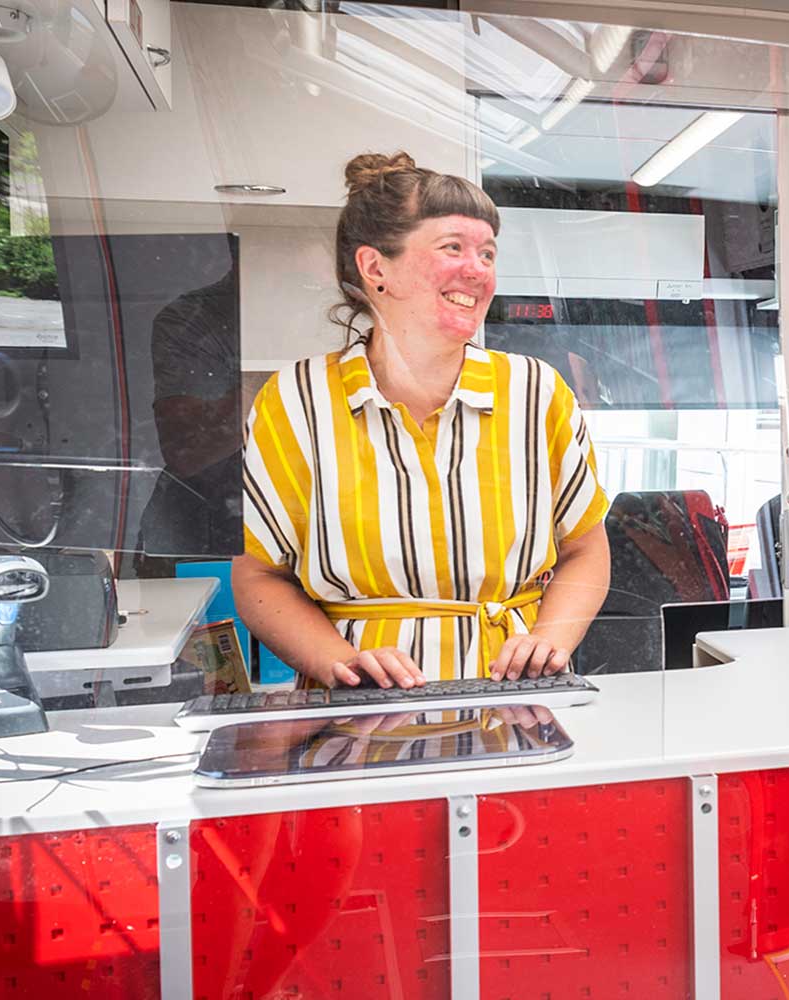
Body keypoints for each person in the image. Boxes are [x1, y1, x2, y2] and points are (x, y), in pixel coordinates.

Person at [236, 152, 612, 688]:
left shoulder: (537, 393)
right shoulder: (295, 401)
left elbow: (586, 549)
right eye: (453, 247)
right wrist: (336, 661)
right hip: (359, 719)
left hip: (516, 703)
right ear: (375, 268)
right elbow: (258, 573)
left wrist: (550, 639)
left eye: (487, 253)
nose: (478, 269)